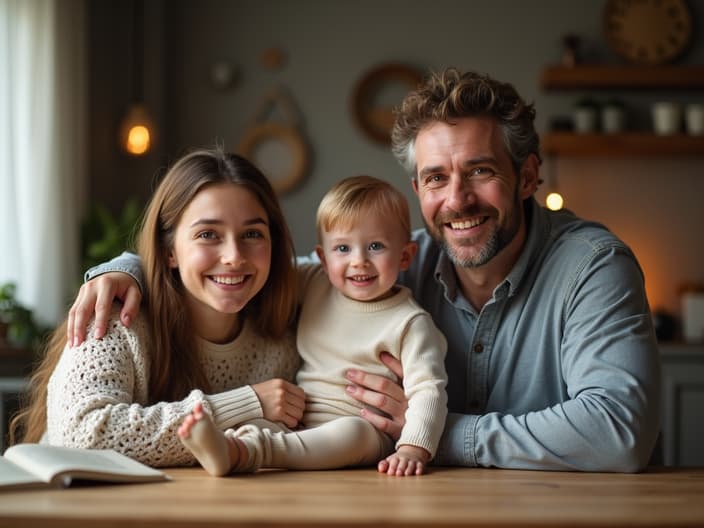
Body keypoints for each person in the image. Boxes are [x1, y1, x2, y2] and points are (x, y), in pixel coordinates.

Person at [66, 68, 661, 472]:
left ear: (528, 177)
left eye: (480, 171)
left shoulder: (592, 266)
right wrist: (127, 269)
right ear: (418, 191)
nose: (457, 200)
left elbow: (619, 430)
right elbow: (256, 266)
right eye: (435, 178)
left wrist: (430, 433)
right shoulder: (399, 260)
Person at [9, 148, 306, 467]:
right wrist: (247, 403)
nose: (234, 255)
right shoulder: (117, 317)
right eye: (208, 234)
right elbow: (83, 435)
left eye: (252, 233)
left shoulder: (283, 341)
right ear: (170, 252)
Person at [178, 175, 447, 477]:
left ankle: (247, 453)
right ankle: (231, 448)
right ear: (323, 257)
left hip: (365, 428)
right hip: (297, 419)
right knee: (255, 423)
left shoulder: (411, 323)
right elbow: (254, 272)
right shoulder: (315, 283)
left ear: (405, 256)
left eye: (375, 246)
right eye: (343, 249)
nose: (359, 261)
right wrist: (127, 269)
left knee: (352, 433)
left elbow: (429, 390)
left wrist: (413, 447)